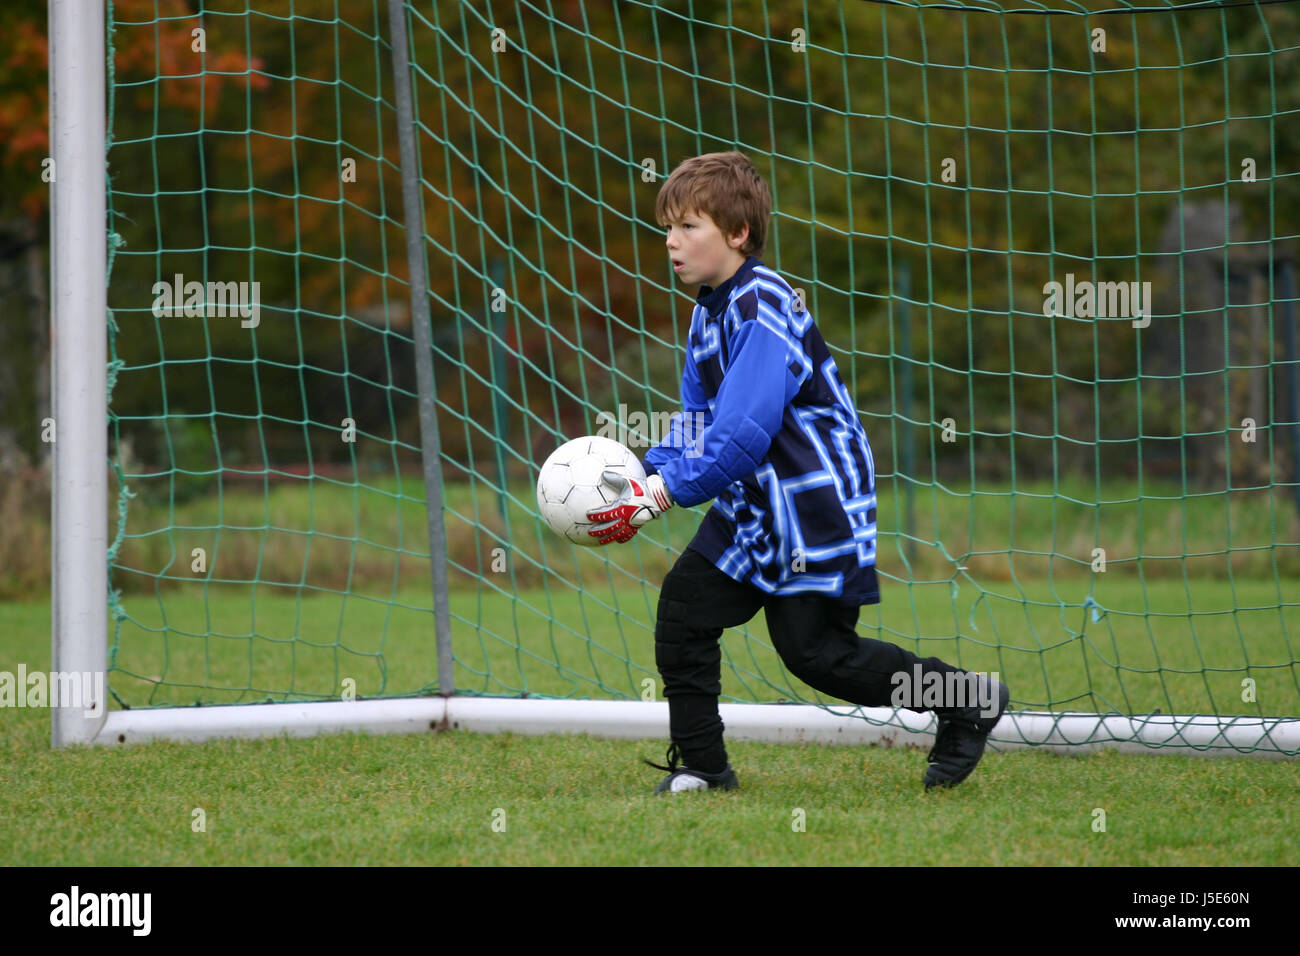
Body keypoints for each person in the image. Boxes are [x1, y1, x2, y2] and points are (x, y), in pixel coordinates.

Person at [587, 151, 1008, 793]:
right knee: (684, 612)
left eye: (688, 226)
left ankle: (965, 698)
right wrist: (639, 477)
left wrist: (663, 494)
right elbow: (699, 424)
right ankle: (704, 769)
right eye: (666, 228)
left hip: (813, 504)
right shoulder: (709, 312)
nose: (671, 241)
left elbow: (743, 432)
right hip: (754, 504)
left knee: (820, 657)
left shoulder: (764, 303)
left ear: (737, 234)